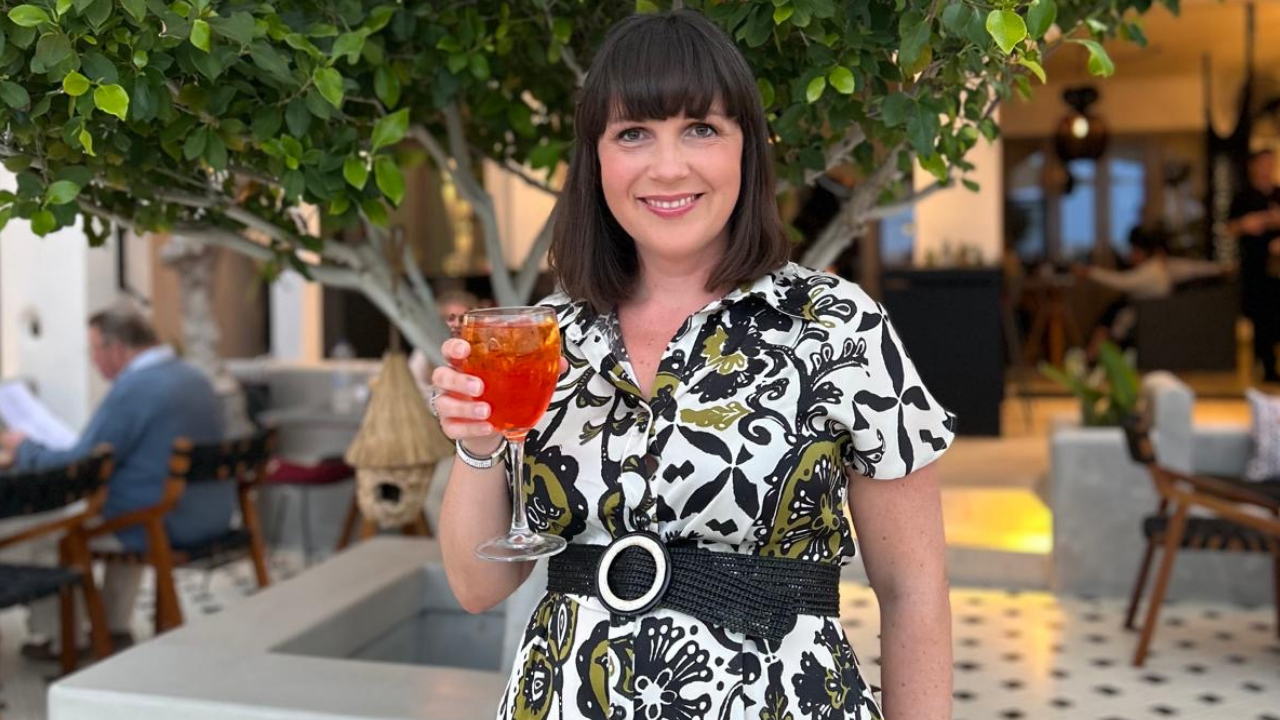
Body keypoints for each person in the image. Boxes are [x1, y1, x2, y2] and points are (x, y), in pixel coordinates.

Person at [432, 11, 955, 720]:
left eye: (701, 129)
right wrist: (477, 443)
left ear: (747, 149)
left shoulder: (836, 326)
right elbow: (476, 587)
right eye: (633, 133)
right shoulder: (548, 335)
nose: (668, 166)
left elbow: (914, 591)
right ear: (595, 159)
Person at [0, 304, 229, 654]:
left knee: (45, 530)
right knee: (121, 500)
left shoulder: (136, 388)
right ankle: (113, 626)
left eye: (93, 350)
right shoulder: (193, 377)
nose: (93, 361)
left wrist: (24, 448)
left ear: (116, 349)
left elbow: (81, 464)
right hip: (209, 512)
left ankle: (65, 639)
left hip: (163, 521)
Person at [1073, 224, 1227, 355]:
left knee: (1112, 313)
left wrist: (1090, 272)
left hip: (1145, 320)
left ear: (1143, 251)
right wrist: (1218, 269)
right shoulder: (1159, 266)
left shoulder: (1151, 271)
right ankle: (1093, 353)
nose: (1131, 255)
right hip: (1147, 316)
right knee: (1113, 309)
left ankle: (1092, 355)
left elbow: (1122, 282)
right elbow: (1192, 268)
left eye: (1134, 250)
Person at [1228, 149, 1280, 383]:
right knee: (1261, 317)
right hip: (1255, 268)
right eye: (1263, 164)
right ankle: (1266, 365)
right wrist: (1247, 224)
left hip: (1277, 267)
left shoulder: (1278, 193)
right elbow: (1231, 228)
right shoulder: (1244, 197)